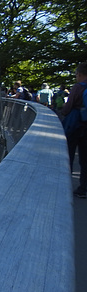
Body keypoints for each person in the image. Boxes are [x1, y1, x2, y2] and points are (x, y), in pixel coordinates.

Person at [60, 62, 87, 198]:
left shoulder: (77, 88)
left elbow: (68, 106)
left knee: (68, 155)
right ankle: (84, 188)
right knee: (84, 158)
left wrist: (62, 111)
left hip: (75, 125)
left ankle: (65, 186)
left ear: (79, 74)